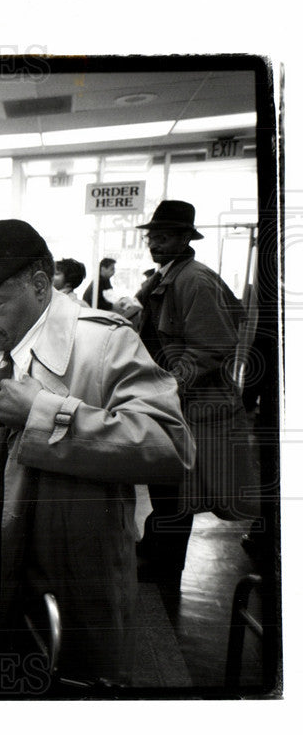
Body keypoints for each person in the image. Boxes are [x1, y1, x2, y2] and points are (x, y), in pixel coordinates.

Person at [0, 220, 192, 688]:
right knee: (0, 668)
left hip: (74, 554)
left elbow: (169, 444)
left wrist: (43, 414)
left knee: (74, 679)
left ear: (38, 284)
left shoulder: (105, 342)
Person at [134, 200, 255, 581]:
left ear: (186, 237)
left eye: (164, 236)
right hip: (177, 405)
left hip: (192, 407)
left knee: (175, 492)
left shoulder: (193, 280)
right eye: (152, 236)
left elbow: (211, 348)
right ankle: (156, 555)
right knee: (167, 487)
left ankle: (164, 566)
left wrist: (168, 385)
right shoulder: (169, 276)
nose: (154, 243)